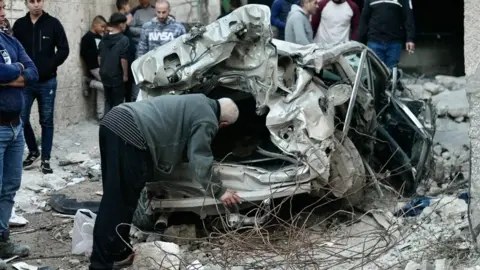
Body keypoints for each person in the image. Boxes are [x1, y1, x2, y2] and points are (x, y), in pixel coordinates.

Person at [89, 94, 241, 269]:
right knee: (118, 202)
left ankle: (119, 252)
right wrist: (220, 191)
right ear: (224, 124)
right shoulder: (208, 119)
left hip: (115, 119)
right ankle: (100, 264)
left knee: (120, 198)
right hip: (131, 133)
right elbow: (199, 158)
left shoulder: (200, 99)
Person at [0, 0, 39, 260]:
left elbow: (34, 71)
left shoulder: (8, 40)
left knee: (9, 187)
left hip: (16, 128)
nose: (3, 13)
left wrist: (9, 76)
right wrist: (15, 70)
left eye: (3, 7)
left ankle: (2, 241)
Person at [12, 0, 69, 174]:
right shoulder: (20, 25)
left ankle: (46, 159)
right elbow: (14, 49)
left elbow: (63, 49)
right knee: (22, 118)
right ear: (26, 3)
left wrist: (50, 65)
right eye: (32, 1)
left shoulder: (53, 24)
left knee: (46, 120)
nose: (36, 5)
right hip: (26, 82)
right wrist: (20, 69)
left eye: (39, 1)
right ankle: (33, 151)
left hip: (47, 81)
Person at [357, 0, 415, 69]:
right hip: (374, 40)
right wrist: (359, 41)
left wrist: (410, 39)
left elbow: (408, 18)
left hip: (394, 42)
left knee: (392, 71)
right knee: (376, 71)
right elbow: (364, 19)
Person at [98, 13, 130, 114]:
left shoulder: (104, 38)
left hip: (104, 74)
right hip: (116, 75)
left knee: (108, 100)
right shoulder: (124, 40)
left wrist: (103, 68)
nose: (126, 26)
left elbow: (99, 57)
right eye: (125, 24)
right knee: (118, 102)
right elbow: (123, 59)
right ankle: (115, 126)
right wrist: (125, 75)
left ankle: (105, 124)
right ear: (121, 25)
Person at [80, 15, 107, 120]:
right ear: (94, 24)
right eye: (102, 26)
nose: (103, 29)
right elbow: (84, 53)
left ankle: (100, 116)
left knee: (102, 90)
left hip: (102, 67)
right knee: (107, 86)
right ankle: (89, 81)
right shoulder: (87, 37)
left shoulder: (100, 37)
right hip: (94, 67)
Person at [116, 0, 137, 102]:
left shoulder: (126, 17)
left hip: (129, 56)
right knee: (125, 86)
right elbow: (118, 32)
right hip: (124, 57)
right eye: (128, 4)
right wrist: (127, 23)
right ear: (123, 6)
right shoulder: (118, 19)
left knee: (130, 85)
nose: (130, 7)